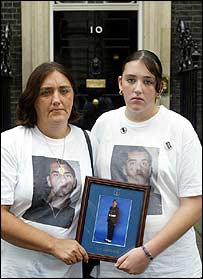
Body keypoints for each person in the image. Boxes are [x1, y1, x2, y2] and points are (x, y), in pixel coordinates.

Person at [91, 50, 202, 278]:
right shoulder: (105, 124)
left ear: (159, 87)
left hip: (171, 265)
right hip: (116, 261)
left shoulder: (179, 128)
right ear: (120, 83)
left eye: (148, 81)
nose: (138, 88)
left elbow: (194, 203)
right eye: (131, 80)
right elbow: (93, 189)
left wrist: (148, 253)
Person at [1, 62, 97, 278]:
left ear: (73, 96)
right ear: (33, 99)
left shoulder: (89, 142)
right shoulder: (10, 143)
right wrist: (54, 245)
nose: (57, 99)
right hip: (17, 271)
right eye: (46, 92)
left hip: (69, 272)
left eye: (64, 91)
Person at [23, 158, 78, 228]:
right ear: (49, 180)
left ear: (75, 182)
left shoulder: (77, 215)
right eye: (56, 175)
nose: (63, 180)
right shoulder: (32, 210)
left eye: (67, 175)